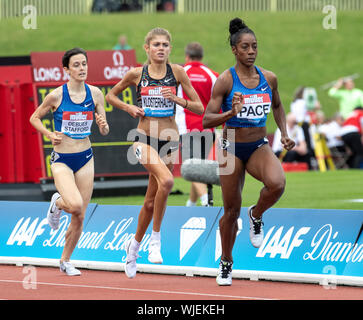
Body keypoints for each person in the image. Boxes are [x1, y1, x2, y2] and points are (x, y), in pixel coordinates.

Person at [202, 18, 295, 286]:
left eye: (254, 46)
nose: (251, 51)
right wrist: (231, 112)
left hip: (257, 145)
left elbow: (277, 106)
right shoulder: (224, 81)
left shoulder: (269, 78)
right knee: (231, 210)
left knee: (277, 183)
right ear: (234, 50)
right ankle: (226, 263)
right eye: (245, 47)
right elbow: (207, 119)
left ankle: (256, 214)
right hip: (230, 145)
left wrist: (284, 133)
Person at [105, 28, 203, 279]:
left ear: (170, 48)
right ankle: (155, 240)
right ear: (146, 48)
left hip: (169, 140)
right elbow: (110, 95)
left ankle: (133, 245)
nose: (161, 48)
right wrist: (128, 107)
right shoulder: (137, 74)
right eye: (156, 44)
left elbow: (199, 107)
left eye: (165, 45)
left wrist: (178, 100)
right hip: (142, 138)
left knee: (150, 201)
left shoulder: (177, 73)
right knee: (168, 181)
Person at [29, 47, 109, 275]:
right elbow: (34, 117)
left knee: (80, 214)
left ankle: (65, 261)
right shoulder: (56, 95)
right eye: (76, 65)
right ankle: (57, 203)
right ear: (66, 69)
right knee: (72, 205)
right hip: (62, 158)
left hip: (85, 158)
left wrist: (103, 126)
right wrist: (49, 134)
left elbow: (104, 129)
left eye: (84, 64)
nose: (82, 68)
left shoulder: (95, 94)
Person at [175, 41, 219, 207]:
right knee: (198, 167)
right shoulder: (212, 75)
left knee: (191, 167)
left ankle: (205, 200)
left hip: (187, 127)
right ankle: (191, 203)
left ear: (187, 56)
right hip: (208, 127)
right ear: (201, 57)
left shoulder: (181, 72)